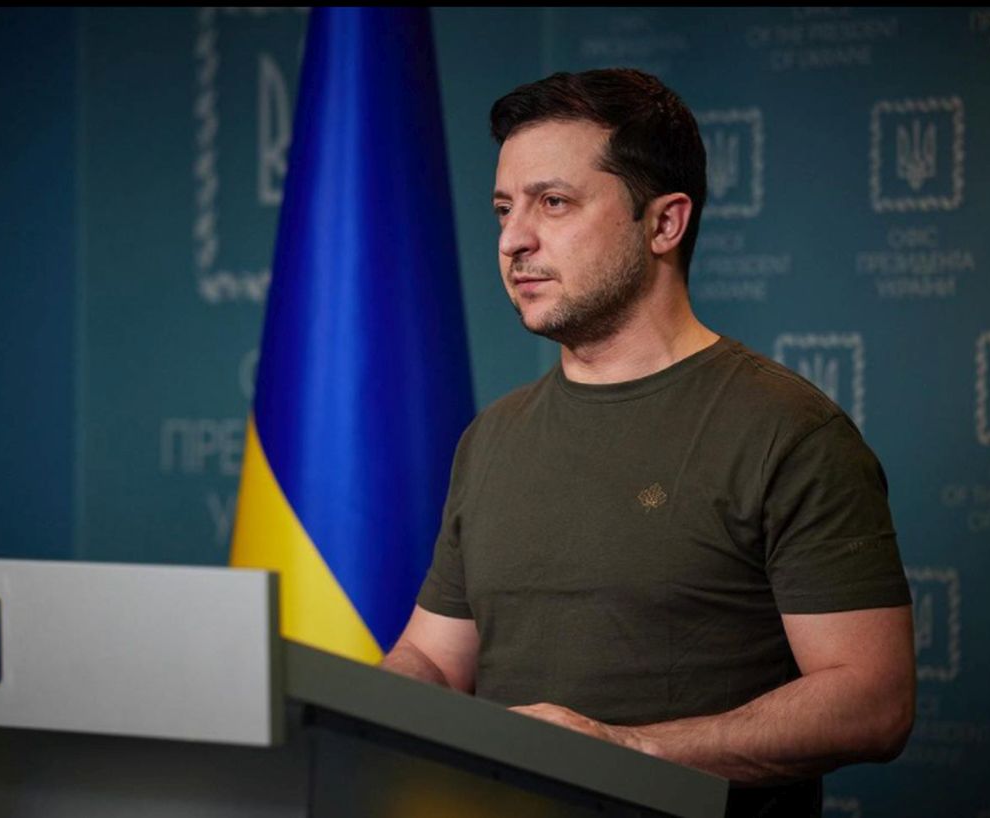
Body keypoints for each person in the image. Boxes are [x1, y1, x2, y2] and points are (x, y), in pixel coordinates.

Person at [381, 68, 914, 816]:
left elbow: (873, 702)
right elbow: (436, 659)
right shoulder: (490, 437)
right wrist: (352, 705)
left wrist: (625, 751)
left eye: (553, 202)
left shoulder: (789, 431)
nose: (512, 239)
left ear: (664, 224)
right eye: (503, 208)